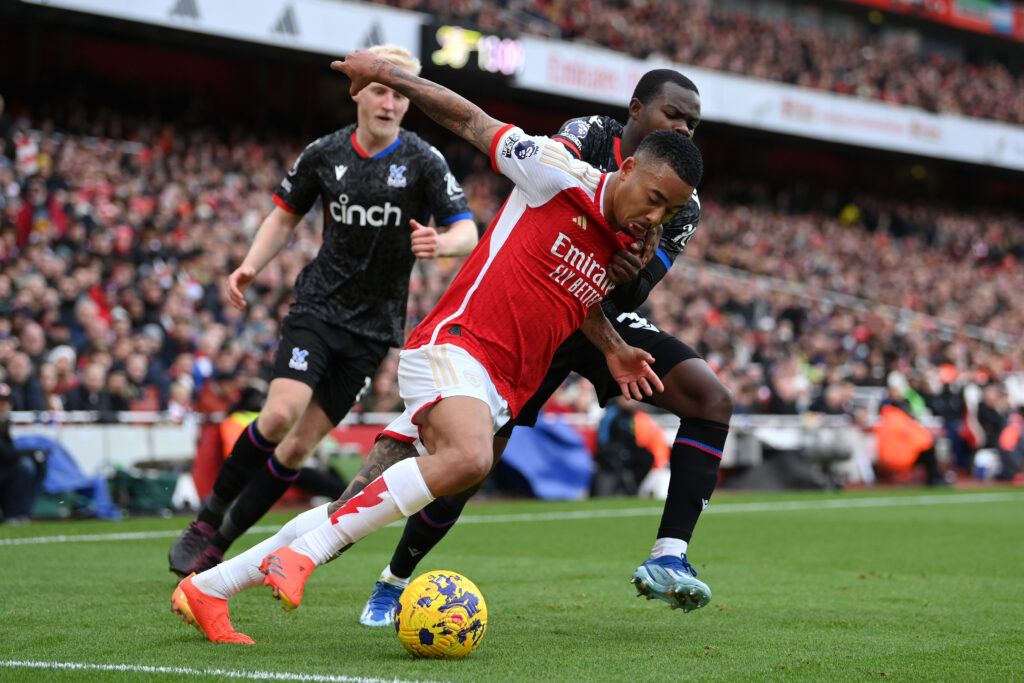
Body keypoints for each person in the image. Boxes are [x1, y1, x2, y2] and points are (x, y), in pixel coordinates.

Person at [170, 48, 702, 644]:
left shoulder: (624, 245)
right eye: (653, 197)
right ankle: (304, 557)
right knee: (472, 460)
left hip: (497, 386)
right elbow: (469, 118)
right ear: (626, 169)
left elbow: (574, 299)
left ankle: (209, 588)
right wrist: (388, 75)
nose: (654, 215)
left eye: (669, 210)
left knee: (354, 503)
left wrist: (613, 348)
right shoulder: (557, 172)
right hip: (454, 347)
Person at [354, 69, 729, 627]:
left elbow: (636, 290)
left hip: (600, 317)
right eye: (673, 115)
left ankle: (668, 556)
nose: (683, 129)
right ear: (636, 109)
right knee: (470, 466)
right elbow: (544, 182)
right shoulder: (590, 134)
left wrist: (629, 272)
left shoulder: (683, 202)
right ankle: (395, 579)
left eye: (693, 124)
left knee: (711, 399)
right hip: (533, 312)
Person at [167, 44, 479, 577]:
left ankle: (220, 544)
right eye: (380, 90)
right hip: (317, 307)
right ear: (358, 93)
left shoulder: (424, 160)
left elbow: (466, 230)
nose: (389, 103)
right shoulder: (325, 152)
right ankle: (206, 519)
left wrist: (442, 243)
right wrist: (250, 265)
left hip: (373, 330)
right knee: (279, 415)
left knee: (296, 450)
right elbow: (284, 215)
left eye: (400, 94)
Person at [0, 383, 46, 524]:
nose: (3, 406)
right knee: (25, 466)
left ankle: (23, 511)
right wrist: (32, 453)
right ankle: (12, 513)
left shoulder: (4, 422)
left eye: (6, 403)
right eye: (1, 403)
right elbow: (5, 454)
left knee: (39, 464)